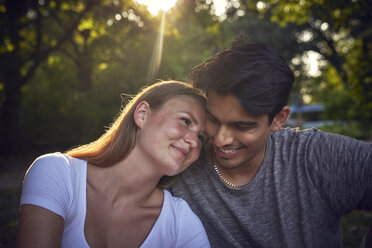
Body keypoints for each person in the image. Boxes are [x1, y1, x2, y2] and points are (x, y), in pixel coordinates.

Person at [170, 37, 372, 247]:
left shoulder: (314, 156)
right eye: (213, 119)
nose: (221, 139)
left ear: (278, 119)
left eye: (243, 126)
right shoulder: (180, 160)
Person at [16, 81, 211, 248]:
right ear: (142, 114)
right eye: (185, 121)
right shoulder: (57, 173)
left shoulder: (181, 223)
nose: (194, 142)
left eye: (202, 137)